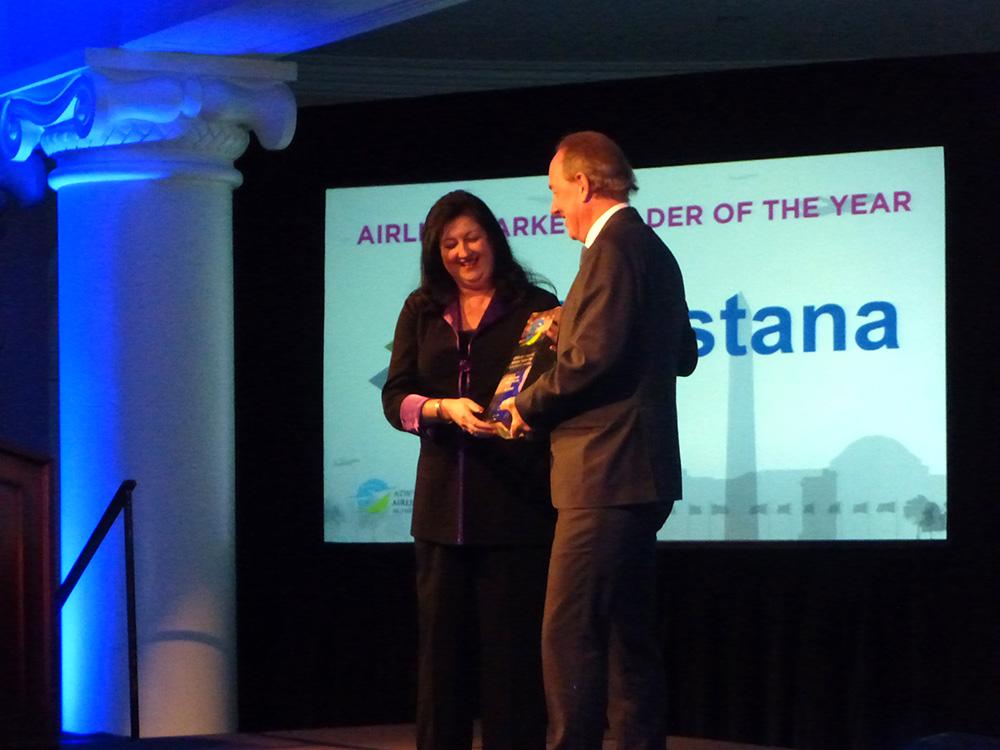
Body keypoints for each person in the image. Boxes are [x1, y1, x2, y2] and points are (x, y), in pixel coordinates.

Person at [502, 132, 698, 750]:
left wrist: (525, 405)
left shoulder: (612, 250)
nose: (553, 206)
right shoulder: (652, 248)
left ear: (584, 185)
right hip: (638, 474)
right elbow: (684, 354)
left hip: (605, 473)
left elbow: (590, 361)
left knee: (570, 632)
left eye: (556, 191)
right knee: (622, 632)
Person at [382, 190, 558, 750]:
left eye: (472, 238)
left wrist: (528, 418)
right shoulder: (421, 309)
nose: (463, 252)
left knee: (513, 665)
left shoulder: (537, 306)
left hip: (516, 510)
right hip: (441, 516)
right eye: (450, 244)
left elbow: (557, 394)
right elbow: (395, 399)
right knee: (441, 667)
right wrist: (442, 409)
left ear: (494, 239)